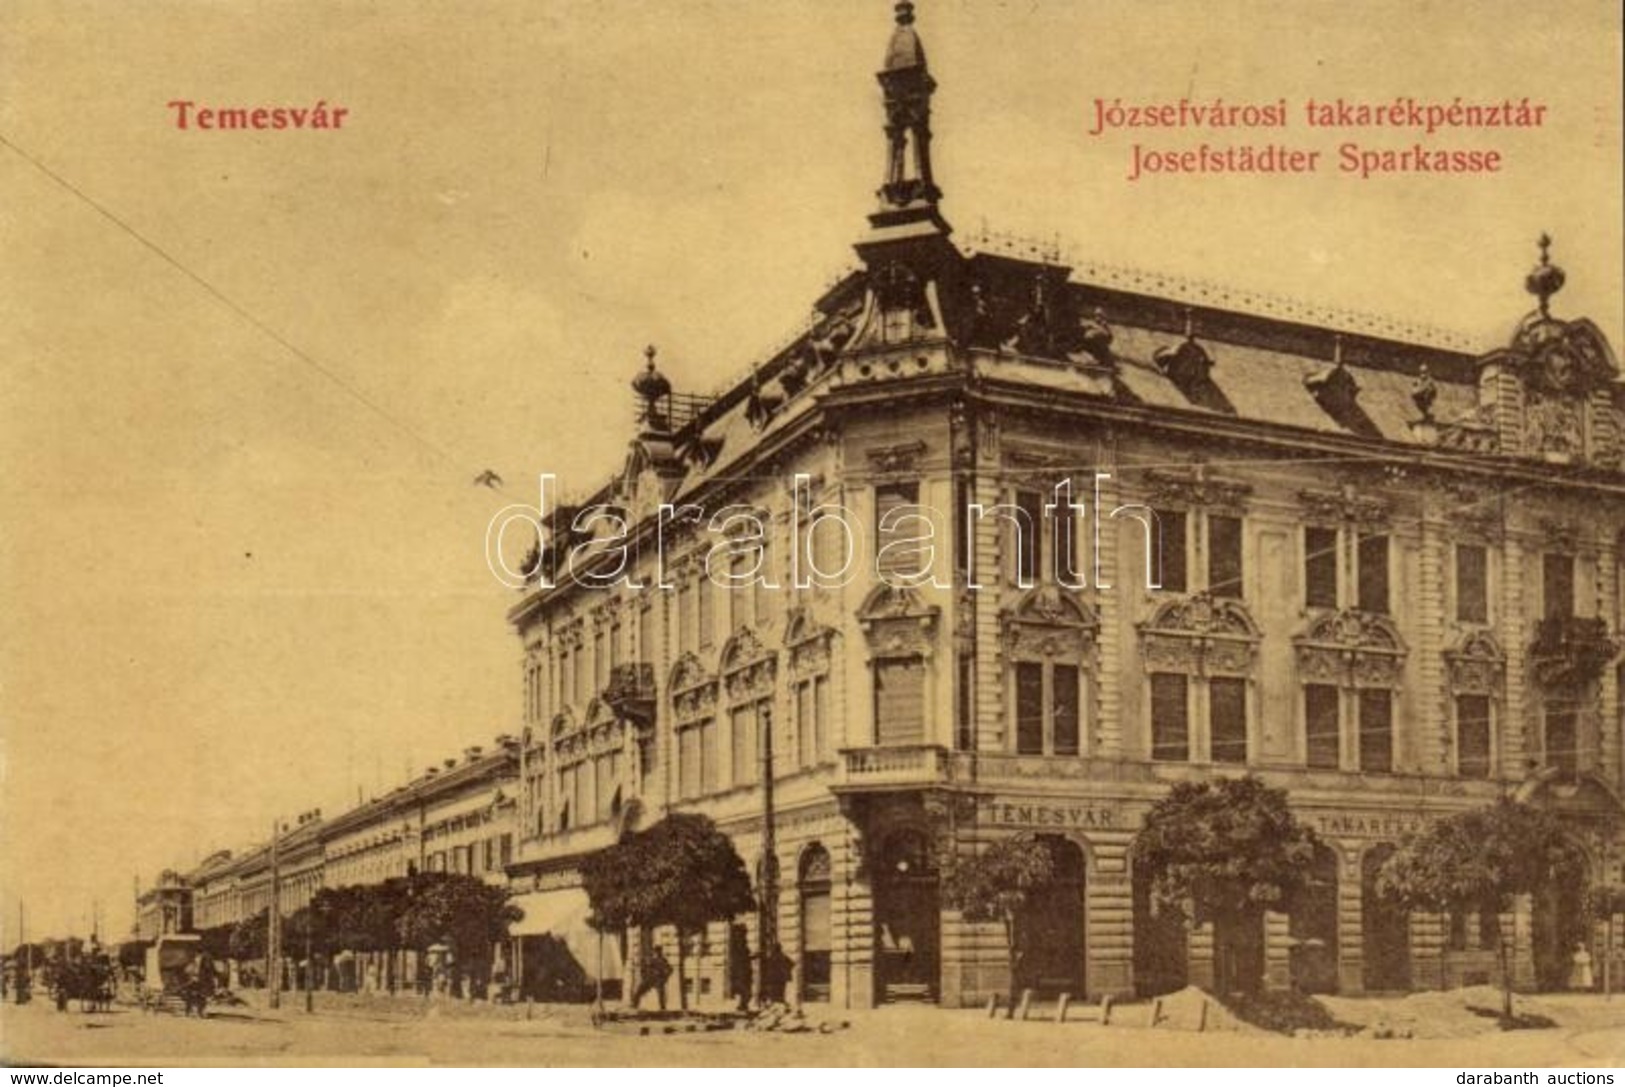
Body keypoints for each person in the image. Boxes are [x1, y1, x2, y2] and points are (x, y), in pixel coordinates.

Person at [634, 946, 671, 1012]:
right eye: (656, 952)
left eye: (658, 952)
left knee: (661, 993)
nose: (657, 953)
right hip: (650, 979)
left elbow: (670, 969)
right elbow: (645, 968)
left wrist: (665, 977)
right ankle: (635, 1005)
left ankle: (662, 1008)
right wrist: (645, 975)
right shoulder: (652, 960)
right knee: (639, 991)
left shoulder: (663, 960)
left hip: (658, 979)